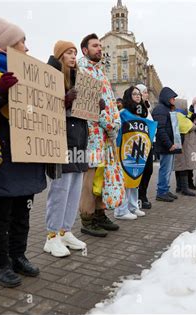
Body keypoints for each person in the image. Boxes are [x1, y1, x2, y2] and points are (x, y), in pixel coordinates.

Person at [0, 17, 44, 287]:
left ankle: (18, 255)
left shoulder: (31, 71)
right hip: (2, 149)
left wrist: (60, 103)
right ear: (8, 44)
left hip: (25, 149)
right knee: (1, 209)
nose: (27, 48)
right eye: (21, 41)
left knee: (23, 207)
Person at [43, 41, 88, 257]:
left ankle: (65, 230)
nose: (73, 56)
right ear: (60, 55)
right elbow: (47, 107)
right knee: (60, 190)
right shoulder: (51, 76)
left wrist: (93, 106)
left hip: (79, 140)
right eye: (69, 53)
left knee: (74, 189)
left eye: (75, 53)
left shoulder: (77, 79)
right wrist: (65, 102)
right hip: (60, 141)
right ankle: (52, 236)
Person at [78, 33, 121, 237]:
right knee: (90, 178)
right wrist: (109, 124)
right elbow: (91, 106)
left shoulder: (101, 72)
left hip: (106, 135)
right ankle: (87, 219)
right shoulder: (83, 71)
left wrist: (115, 123)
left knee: (103, 177)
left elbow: (109, 102)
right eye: (95, 46)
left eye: (100, 46)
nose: (99, 49)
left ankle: (99, 213)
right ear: (85, 50)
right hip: (92, 135)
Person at [114, 86, 150, 220]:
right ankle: (121, 210)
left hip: (138, 151)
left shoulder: (141, 113)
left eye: (139, 94)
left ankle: (133, 206)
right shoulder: (123, 112)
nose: (138, 96)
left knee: (135, 178)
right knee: (124, 179)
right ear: (129, 96)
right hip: (123, 149)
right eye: (134, 94)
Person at [152, 87, 180, 202]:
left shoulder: (167, 109)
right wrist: (169, 144)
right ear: (166, 98)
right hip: (166, 146)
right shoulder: (160, 109)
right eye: (172, 97)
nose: (174, 99)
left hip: (170, 145)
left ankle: (165, 189)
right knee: (165, 169)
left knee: (168, 169)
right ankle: (161, 192)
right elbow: (160, 129)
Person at [174, 106, 196, 196]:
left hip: (183, 144)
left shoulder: (182, 115)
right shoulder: (179, 116)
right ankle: (184, 188)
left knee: (181, 165)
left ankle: (180, 187)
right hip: (184, 144)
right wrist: (193, 124)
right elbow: (189, 127)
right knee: (183, 166)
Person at [135, 84, 153, 210]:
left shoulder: (147, 107)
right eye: (145, 92)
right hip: (139, 142)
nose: (147, 94)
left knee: (149, 170)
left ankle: (143, 194)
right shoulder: (137, 108)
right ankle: (139, 197)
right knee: (141, 171)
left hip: (149, 142)